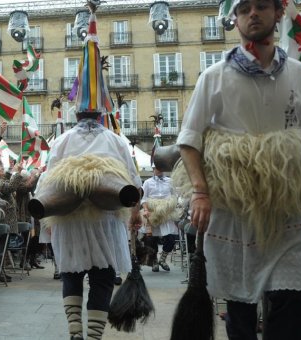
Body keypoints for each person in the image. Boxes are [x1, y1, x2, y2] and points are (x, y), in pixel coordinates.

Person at [175, 0, 301, 338]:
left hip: (285, 208)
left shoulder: (298, 73)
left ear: (278, 13)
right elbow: (189, 139)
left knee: (294, 301)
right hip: (235, 210)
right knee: (241, 310)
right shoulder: (213, 77)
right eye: (244, 8)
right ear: (235, 18)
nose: (252, 14)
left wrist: (292, 175)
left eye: (261, 6)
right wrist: (201, 191)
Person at [34, 4, 142, 338]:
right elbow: (133, 182)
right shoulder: (116, 140)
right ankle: (91, 338)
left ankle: (76, 333)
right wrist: (135, 214)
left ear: (76, 110)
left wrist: (47, 225)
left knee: (71, 274)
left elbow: (47, 182)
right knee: (102, 276)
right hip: (105, 221)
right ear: (102, 109)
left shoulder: (63, 140)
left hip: (69, 220)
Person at [141, 164, 179, 272]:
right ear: (153, 169)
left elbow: (174, 196)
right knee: (151, 239)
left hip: (166, 212)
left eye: (161, 167)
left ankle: (163, 259)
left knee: (171, 238)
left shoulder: (170, 181)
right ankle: (154, 261)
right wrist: (146, 209)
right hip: (153, 213)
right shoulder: (148, 182)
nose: (160, 169)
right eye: (157, 167)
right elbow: (143, 198)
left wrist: (171, 206)